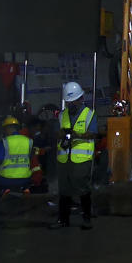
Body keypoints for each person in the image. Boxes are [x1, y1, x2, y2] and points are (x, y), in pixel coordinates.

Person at [50, 81, 98, 230]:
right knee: (64, 190)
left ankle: (87, 218)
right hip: (64, 158)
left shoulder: (89, 114)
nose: (71, 104)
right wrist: (62, 134)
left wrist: (78, 135)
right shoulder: (62, 115)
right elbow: (56, 133)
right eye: (69, 102)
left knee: (83, 187)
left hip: (82, 159)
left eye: (74, 101)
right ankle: (63, 220)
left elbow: (94, 133)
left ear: (81, 99)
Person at [0, 116, 37, 196]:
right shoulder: (28, 141)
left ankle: (1, 195)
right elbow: (31, 157)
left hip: (5, 179)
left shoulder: (4, 142)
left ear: (8, 128)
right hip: (25, 179)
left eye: (4, 129)